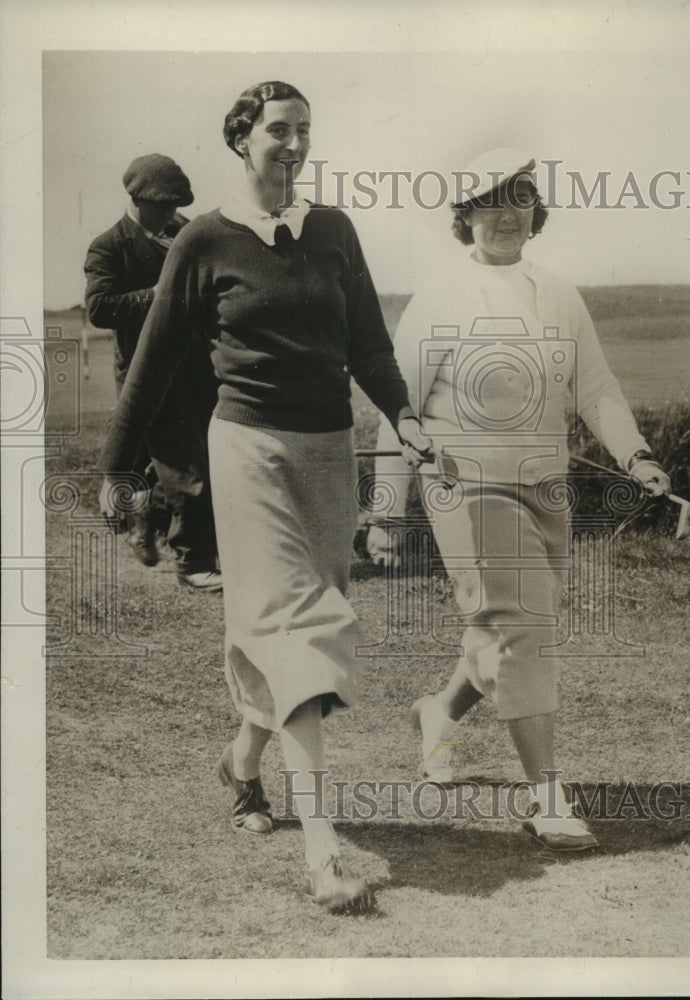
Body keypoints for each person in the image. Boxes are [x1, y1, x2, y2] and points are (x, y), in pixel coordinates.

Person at [98, 81, 432, 911]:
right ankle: (322, 850)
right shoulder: (204, 240)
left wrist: (406, 419)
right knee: (298, 628)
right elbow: (154, 364)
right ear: (242, 139)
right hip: (245, 449)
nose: (293, 143)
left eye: (304, 131)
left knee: (288, 624)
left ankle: (243, 763)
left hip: (327, 454)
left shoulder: (332, 232)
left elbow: (370, 347)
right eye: (278, 130)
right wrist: (116, 468)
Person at [367, 148, 671, 851]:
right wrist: (386, 512)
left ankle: (439, 713)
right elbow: (397, 409)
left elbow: (594, 389)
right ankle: (546, 796)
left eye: (521, 197)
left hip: (546, 485)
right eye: (490, 200)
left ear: (537, 213)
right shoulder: (441, 296)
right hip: (465, 486)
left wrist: (637, 455)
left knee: (510, 629)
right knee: (525, 627)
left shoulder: (558, 292)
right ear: (465, 216)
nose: (507, 213)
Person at [85, 154, 222, 591]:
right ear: (137, 199)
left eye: (175, 204)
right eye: (162, 205)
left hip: (200, 369)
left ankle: (146, 521)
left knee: (192, 456)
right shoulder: (109, 246)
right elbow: (99, 309)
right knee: (187, 466)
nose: (170, 213)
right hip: (148, 375)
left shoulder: (184, 233)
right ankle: (193, 563)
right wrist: (156, 295)